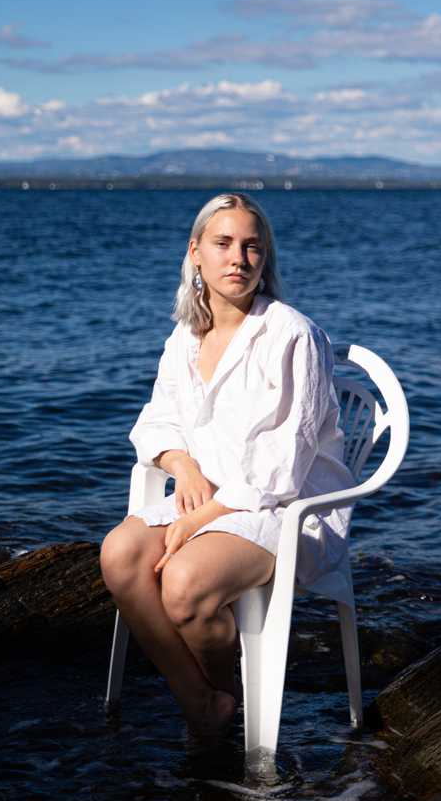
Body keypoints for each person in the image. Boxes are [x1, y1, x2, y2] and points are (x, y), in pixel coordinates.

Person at [100, 193, 354, 737]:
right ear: (196, 254)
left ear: (265, 260)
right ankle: (199, 700)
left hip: (285, 510)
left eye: (251, 246)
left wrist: (196, 519)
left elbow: (281, 466)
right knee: (119, 554)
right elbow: (156, 422)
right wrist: (182, 465)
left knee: (185, 584)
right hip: (208, 495)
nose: (238, 258)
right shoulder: (185, 338)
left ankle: (231, 704)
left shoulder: (292, 335)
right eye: (223, 244)